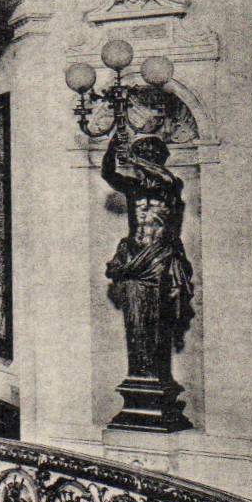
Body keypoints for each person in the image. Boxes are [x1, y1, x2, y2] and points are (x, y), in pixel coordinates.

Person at [101, 130, 194, 383]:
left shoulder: (171, 185)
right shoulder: (133, 188)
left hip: (159, 258)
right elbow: (107, 174)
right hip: (134, 260)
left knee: (159, 320)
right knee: (136, 320)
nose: (143, 166)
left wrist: (133, 158)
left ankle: (156, 377)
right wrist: (112, 147)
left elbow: (164, 178)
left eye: (149, 158)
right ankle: (140, 375)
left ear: (157, 160)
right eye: (143, 158)